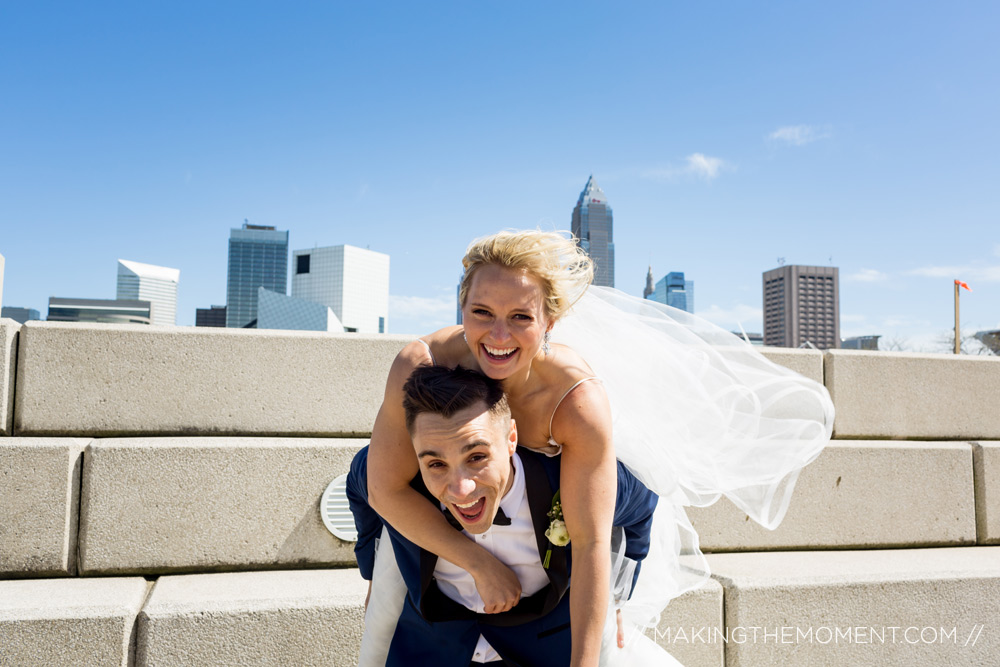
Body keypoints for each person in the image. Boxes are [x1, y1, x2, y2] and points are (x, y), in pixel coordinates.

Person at [362, 229, 834, 665]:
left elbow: (588, 544)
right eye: (481, 313)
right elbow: (383, 489)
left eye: (521, 317)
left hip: (600, 486)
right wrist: (478, 562)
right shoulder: (420, 367)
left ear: (551, 319)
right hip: (468, 483)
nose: (498, 336)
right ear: (461, 306)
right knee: (366, 471)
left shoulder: (574, 400)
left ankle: (623, 604)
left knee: (622, 506)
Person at [347, 365, 661, 666]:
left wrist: (618, 598)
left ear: (511, 438)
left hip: (543, 651)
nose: (461, 489)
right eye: (436, 464)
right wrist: (373, 575)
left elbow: (644, 505)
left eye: (477, 457)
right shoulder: (397, 482)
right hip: (430, 650)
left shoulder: (575, 483)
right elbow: (359, 488)